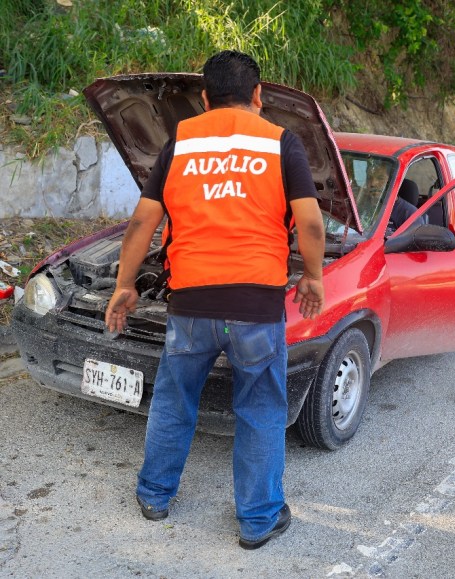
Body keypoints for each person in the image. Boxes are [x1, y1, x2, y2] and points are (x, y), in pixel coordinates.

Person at [104, 50, 326, 550]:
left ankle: (155, 495)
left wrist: (125, 284)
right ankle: (258, 519)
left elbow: (143, 221)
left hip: (191, 304)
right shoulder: (280, 142)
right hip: (256, 306)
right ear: (258, 95)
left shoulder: (181, 140)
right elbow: (310, 222)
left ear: (204, 99)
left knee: (174, 400)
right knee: (261, 410)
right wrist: (312, 276)